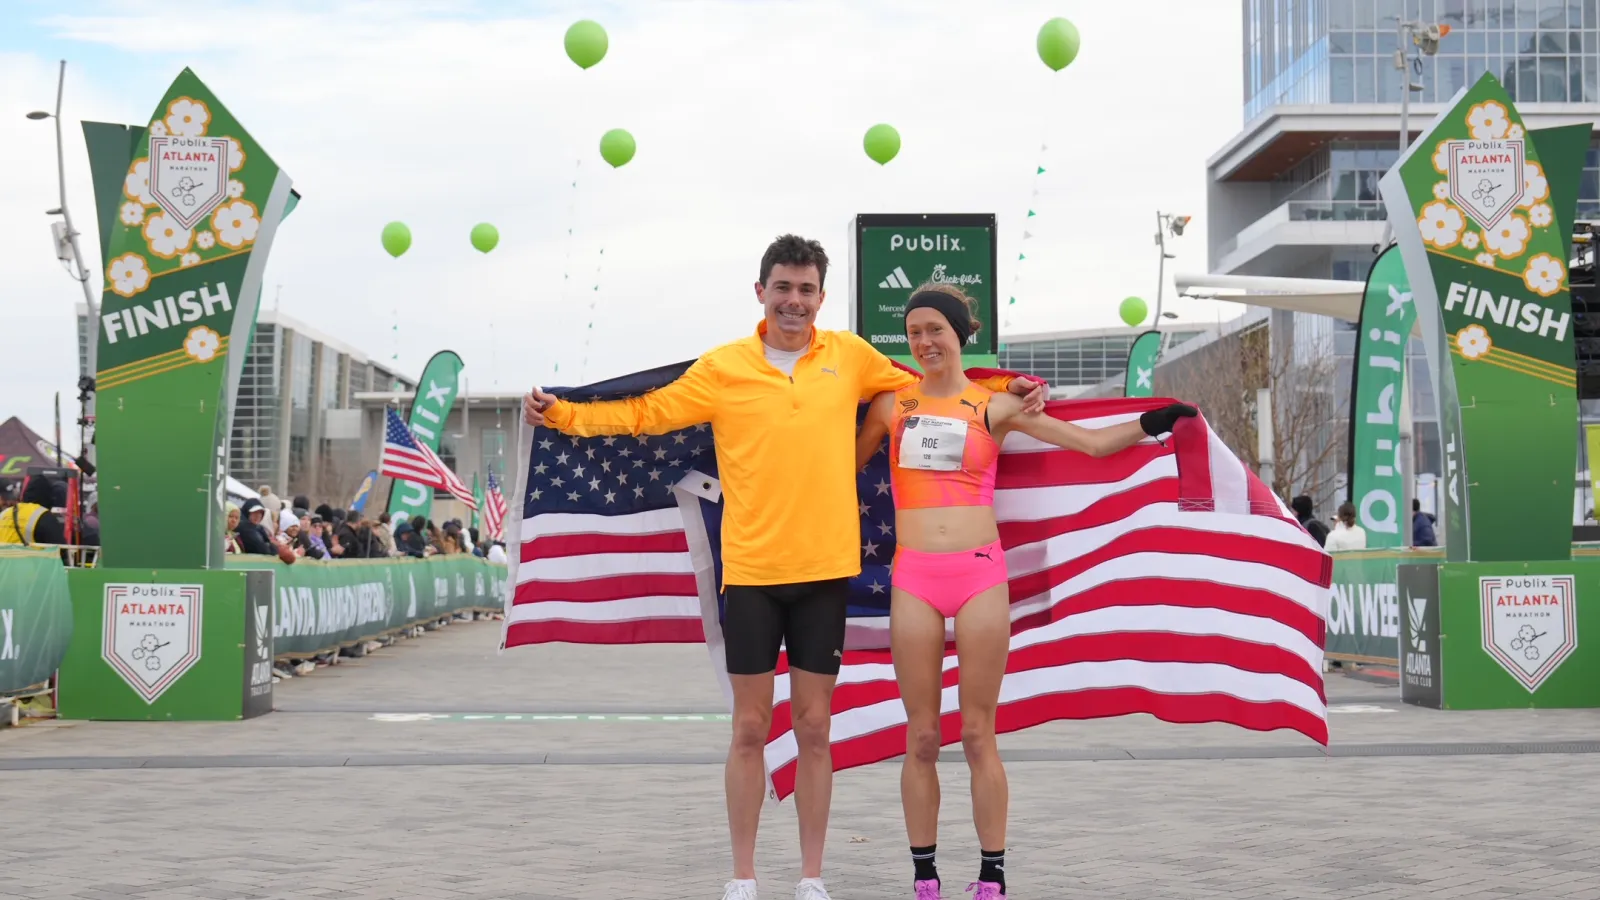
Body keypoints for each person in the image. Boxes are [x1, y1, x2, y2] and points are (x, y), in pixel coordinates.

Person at [523, 234, 1046, 900]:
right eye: (783, 288)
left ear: (821, 297)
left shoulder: (851, 357)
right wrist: (562, 415)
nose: (794, 301)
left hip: (825, 573)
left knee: (814, 728)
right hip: (749, 572)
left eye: (806, 290)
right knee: (748, 727)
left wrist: (1013, 389)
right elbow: (648, 416)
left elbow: (938, 387)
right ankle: (742, 875)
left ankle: (810, 877)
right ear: (761, 292)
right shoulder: (723, 368)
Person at [854, 284, 1196, 900]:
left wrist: (1150, 423)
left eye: (936, 329)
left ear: (960, 334)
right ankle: (924, 875)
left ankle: (992, 875)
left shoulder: (996, 407)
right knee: (923, 736)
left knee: (978, 733)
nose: (924, 342)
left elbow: (1089, 446)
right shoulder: (889, 404)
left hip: (980, 574)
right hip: (914, 579)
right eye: (914, 333)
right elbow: (838, 467)